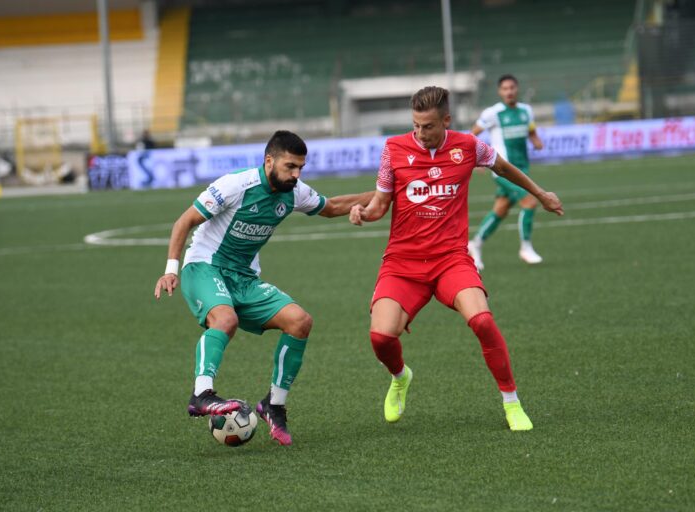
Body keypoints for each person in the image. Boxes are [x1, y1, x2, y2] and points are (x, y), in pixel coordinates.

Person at [349, 86, 563, 431]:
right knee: (381, 337)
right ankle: (400, 377)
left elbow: (505, 168)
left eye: (428, 126)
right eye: (416, 125)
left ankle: (512, 403)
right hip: (403, 263)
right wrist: (363, 213)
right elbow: (380, 204)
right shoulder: (393, 149)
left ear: (446, 121)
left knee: (482, 321)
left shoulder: (468, 146)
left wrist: (540, 193)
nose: (420, 133)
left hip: (451, 259)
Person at [155, 130, 373, 446]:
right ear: (269, 160)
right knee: (225, 320)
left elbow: (333, 206)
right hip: (205, 267)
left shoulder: (294, 191)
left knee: (300, 322)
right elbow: (183, 222)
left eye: (300, 167)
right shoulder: (235, 186)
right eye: (290, 167)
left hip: (244, 278)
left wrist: (384, 193)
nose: (296, 174)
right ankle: (202, 394)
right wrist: (170, 270)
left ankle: (274, 404)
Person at [468, 74, 545, 271]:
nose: (509, 91)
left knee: (500, 209)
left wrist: (536, 141)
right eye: (505, 88)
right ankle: (526, 248)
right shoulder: (493, 113)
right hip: (502, 171)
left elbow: (531, 130)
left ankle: (475, 244)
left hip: (522, 169)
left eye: (512, 87)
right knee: (530, 201)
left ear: (517, 89)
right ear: (499, 92)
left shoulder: (526, 111)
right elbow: (471, 136)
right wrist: (475, 159)